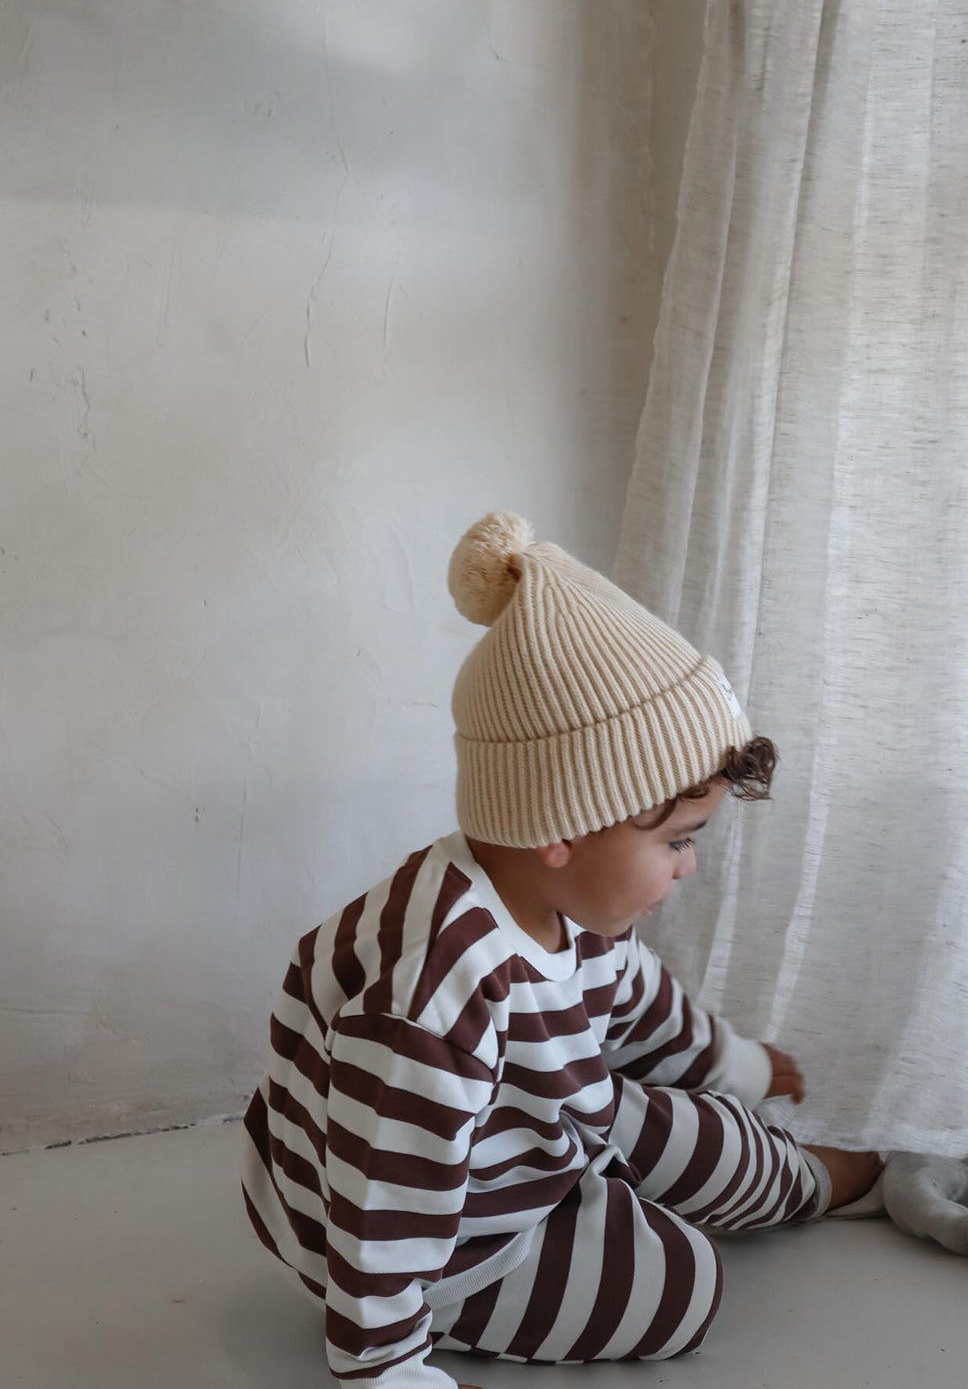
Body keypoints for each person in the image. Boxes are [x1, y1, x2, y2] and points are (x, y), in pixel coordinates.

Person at [242, 511, 882, 1385]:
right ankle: (750, 1183)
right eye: (679, 840)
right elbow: (384, 1195)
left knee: (676, 1125)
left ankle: (798, 1178)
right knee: (684, 1285)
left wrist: (736, 1065)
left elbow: (641, 1004)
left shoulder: (573, 906)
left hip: (506, 1143)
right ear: (564, 828)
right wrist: (387, 1366)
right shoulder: (432, 996)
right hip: (412, 1241)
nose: (688, 867)